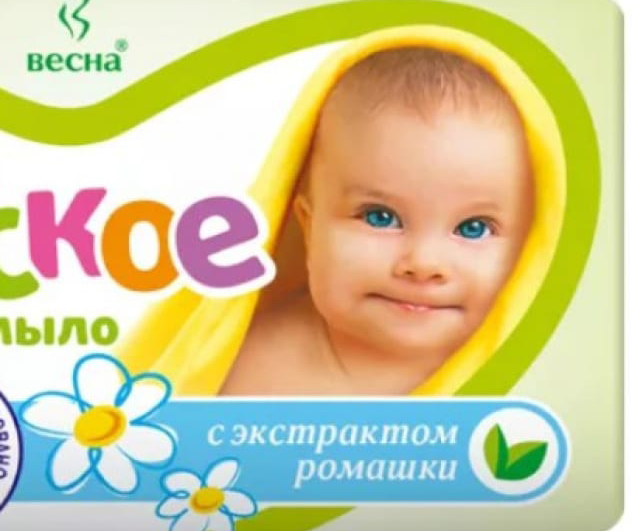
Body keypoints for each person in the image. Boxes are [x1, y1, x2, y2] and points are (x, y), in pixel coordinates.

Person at [220, 46, 534, 396]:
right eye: (380, 218)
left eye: (473, 228)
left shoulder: (539, 364)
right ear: (310, 228)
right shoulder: (256, 370)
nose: (423, 264)